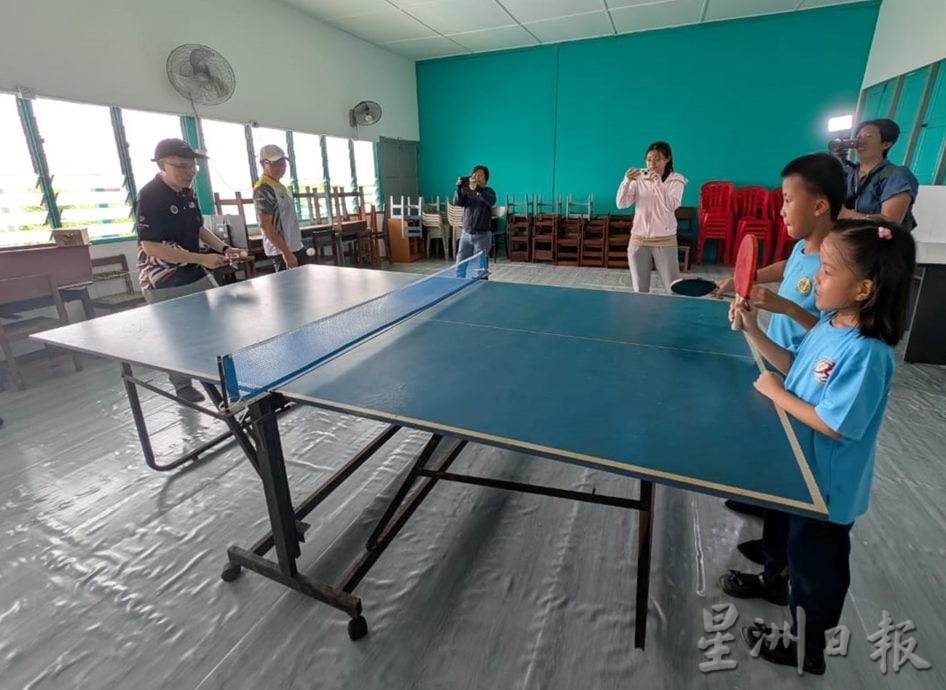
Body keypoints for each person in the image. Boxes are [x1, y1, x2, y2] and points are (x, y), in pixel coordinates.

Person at [722, 218, 916, 675]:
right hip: (802, 474)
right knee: (793, 551)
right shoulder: (831, 323)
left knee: (816, 574)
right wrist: (752, 330)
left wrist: (777, 394)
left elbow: (835, 425)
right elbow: (794, 364)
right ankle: (776, 585)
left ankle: (806, 647)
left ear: (864, 288)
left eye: (827, 271)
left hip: (826, 492)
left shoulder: (867, 353)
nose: (815, 277)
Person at [715, 153, 847, 557]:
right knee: (772, 447)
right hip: (781, 361)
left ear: (820, 205)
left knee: (795, 468)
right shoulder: (806, 249)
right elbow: (788, 266)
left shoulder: (838, 264)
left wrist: (783, 306)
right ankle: (764, 502)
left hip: (809, 379)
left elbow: (832, 335)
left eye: (789, 200)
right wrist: (747, 278)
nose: (781, 208)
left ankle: (778, 563)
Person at [136, 138, 240, 403]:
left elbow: (198, 228)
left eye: (193, 166)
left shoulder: (187, 192)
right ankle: (182, 385)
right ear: (162, 165)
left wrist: (225, 249)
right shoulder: (150, 196)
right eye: (181, 166)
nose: (189, 171)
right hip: (163, 279)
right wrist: (201, 258)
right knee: (178, 337)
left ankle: (224, 378)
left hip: (193, 270)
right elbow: (151, 246)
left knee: (217, 326)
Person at [615, 142, 687, 292]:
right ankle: (640, 314)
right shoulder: (639, 180)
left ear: (667, 159)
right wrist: (626, 181)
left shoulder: (676, 180)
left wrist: (658, 183)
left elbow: (671, 206)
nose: (652, 164)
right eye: (648, 160)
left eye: (657, 159)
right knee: (640, 289)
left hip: (665, 239)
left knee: (673, 287)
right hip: (639, 239)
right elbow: (621, 204)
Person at [838, 118, 919, 229]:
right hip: (845, 242)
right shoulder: (846, 173)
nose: (860, 141)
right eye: (858, 136)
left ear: (885, 144)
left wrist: (846, 215)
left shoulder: (897, 175)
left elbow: (891, 221)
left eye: (868, 136)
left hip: (878, 244)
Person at [253, 144, 306, 271]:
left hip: (295, 247)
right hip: (282, 252)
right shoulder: (263, 189)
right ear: (262, 164)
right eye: (275, 163)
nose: (281, 167)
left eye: (283, 162)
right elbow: (265, 225)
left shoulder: (279, 186)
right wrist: (285, 253)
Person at [453, 165, 496, 277]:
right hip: (466, 235)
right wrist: (459, 188)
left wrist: (477, 189)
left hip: (482, 236)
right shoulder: (467, 191)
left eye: (480, 175)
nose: (476, 177)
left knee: (481, 269)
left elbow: (490, 201)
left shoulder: (488, 191)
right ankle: (458, 284)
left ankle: (482, 289)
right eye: (474, 175)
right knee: (460, 264)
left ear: (485, 179)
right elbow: (457, 202)